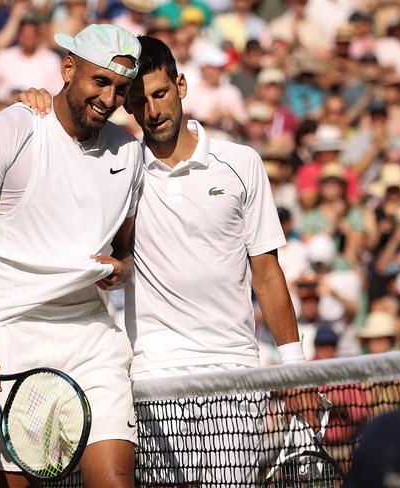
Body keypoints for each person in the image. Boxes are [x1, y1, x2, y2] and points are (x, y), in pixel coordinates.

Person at [20, 35, 315, 485]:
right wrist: (37, 104)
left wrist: (296, 371)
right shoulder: (120, 165)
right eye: (138, 102)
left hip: (233, 374)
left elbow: (268, 275)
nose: (152, 111)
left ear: (181, 85)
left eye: (160, 94)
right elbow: (64, 148)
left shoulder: (242, 163)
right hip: (153, 374)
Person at [0, 24, 144, 488]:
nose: (109, 97)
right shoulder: (9, 129)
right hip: (8, 336)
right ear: (68, 69)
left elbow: (128, 253)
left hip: (92, 338)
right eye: (101, 82)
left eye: (120, 89)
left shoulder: (129, 153)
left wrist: (121, 269)